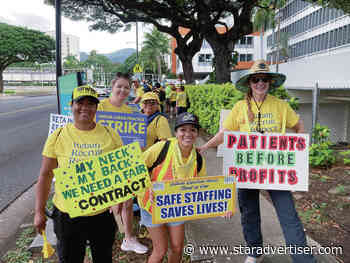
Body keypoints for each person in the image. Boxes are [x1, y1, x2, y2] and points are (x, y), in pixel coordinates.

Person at [199, 60, 316, 263]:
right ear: (249, 83)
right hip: (247, 170)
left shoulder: (280, 106)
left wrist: (300, 150)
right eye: (256, 79)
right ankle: (255, 251)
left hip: (275, 171)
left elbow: (298, 126)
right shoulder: (239, 108)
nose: (260, 83)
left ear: (270, 82)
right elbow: (224, 133)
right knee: (249, 212)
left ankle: (304, 259)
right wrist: (204, 147)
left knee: (288, 215)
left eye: (264, 79)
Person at [34, 85, 124, 263]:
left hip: (102, 214)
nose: (85, 107)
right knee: (70, 259)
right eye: (80, 102)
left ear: (96, 108)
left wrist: (119, 199)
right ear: (71, 105)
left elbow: (122, 173)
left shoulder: (111, 135)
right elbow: (45, 176)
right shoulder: (58, 136)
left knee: (104, 258)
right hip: (68, 216)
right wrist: (38, 211)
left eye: (91, 104)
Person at [138, 112, 207, 263]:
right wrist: (149, 189)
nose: (188, 134)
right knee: (160, 250)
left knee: (177, 248)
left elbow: (202, 189)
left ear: (197, 133)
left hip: (177, 208)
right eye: (183, 130)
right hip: (152, 206)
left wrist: (222, 206)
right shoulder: (162, 147)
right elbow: (137, 167)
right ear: (176, 132)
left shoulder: (198, 158)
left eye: (193, 130)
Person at [97, 72, 148, 254]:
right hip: (102, 163)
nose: (123, 90)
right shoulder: (99, 108)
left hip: (124, 163)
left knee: (127, 202)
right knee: (101, 203)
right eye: (119, 86)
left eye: (127, 87)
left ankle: (128, 238)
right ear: (112, 87)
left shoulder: (131, 112)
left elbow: (138, 142)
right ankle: (97, 239)